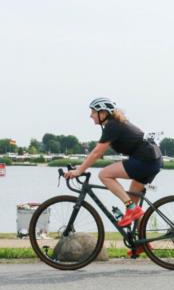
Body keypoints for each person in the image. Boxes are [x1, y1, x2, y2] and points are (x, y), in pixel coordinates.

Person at [64, 97, 163, 227]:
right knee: (131, 209)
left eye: (93, 112)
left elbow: (97, 153)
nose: (90, 116)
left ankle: (133, 208)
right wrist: (80, 167)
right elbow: (97, 153)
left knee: (104, 174)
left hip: (145, 159)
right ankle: (141, 244)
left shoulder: (113, 125)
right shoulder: (116, 124)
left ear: (103, 113)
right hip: (153, 159)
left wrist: (79, 171)